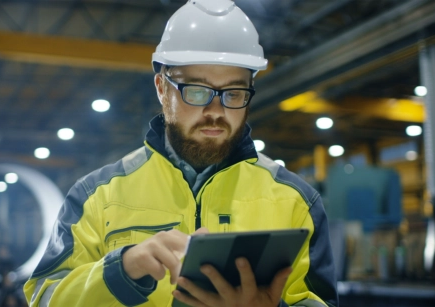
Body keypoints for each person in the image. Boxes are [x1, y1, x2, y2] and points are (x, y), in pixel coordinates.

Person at [23, 0, 338, 306]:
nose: (215, 110)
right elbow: (45, 297)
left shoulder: (296, 201)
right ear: (162, 88)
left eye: (234, 93)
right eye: (197, 91)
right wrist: (122, 269)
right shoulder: (96, 197)